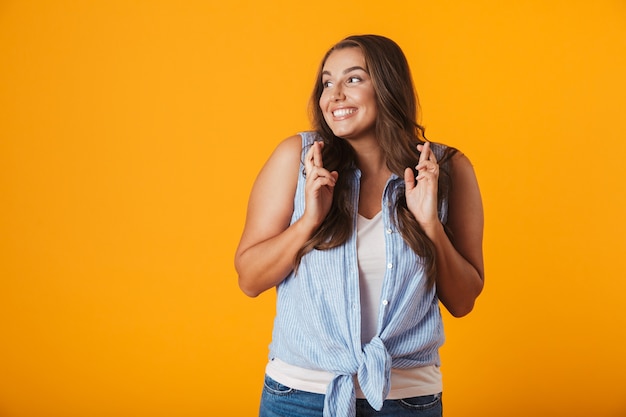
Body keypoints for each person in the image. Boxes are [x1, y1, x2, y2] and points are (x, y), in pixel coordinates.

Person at [234, 34, 484, 417]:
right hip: (300, 397)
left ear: (387, 86)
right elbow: (249, 279)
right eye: (327, 82)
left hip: (407, 401)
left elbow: (463, 301)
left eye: (352, 79)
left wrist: (430, 224)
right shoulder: (298, 160)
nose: (334, 95)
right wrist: (309, 222)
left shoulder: (446, 169)